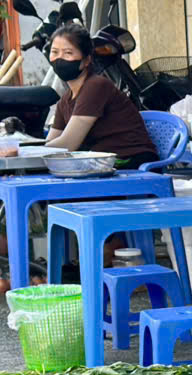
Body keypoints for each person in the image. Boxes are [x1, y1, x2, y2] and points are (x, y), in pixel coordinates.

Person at [41, 23, 158, 272]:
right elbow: (52, 143)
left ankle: (108, 254)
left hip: (130, 161)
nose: (59, 59)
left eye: (68, 53)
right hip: (100, 164)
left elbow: (67, 144)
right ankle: (81, 263)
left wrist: (31, 152)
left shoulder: (96, 86)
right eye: (55, 52)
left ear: (86, 60)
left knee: (69, 193)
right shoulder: (65, 100)